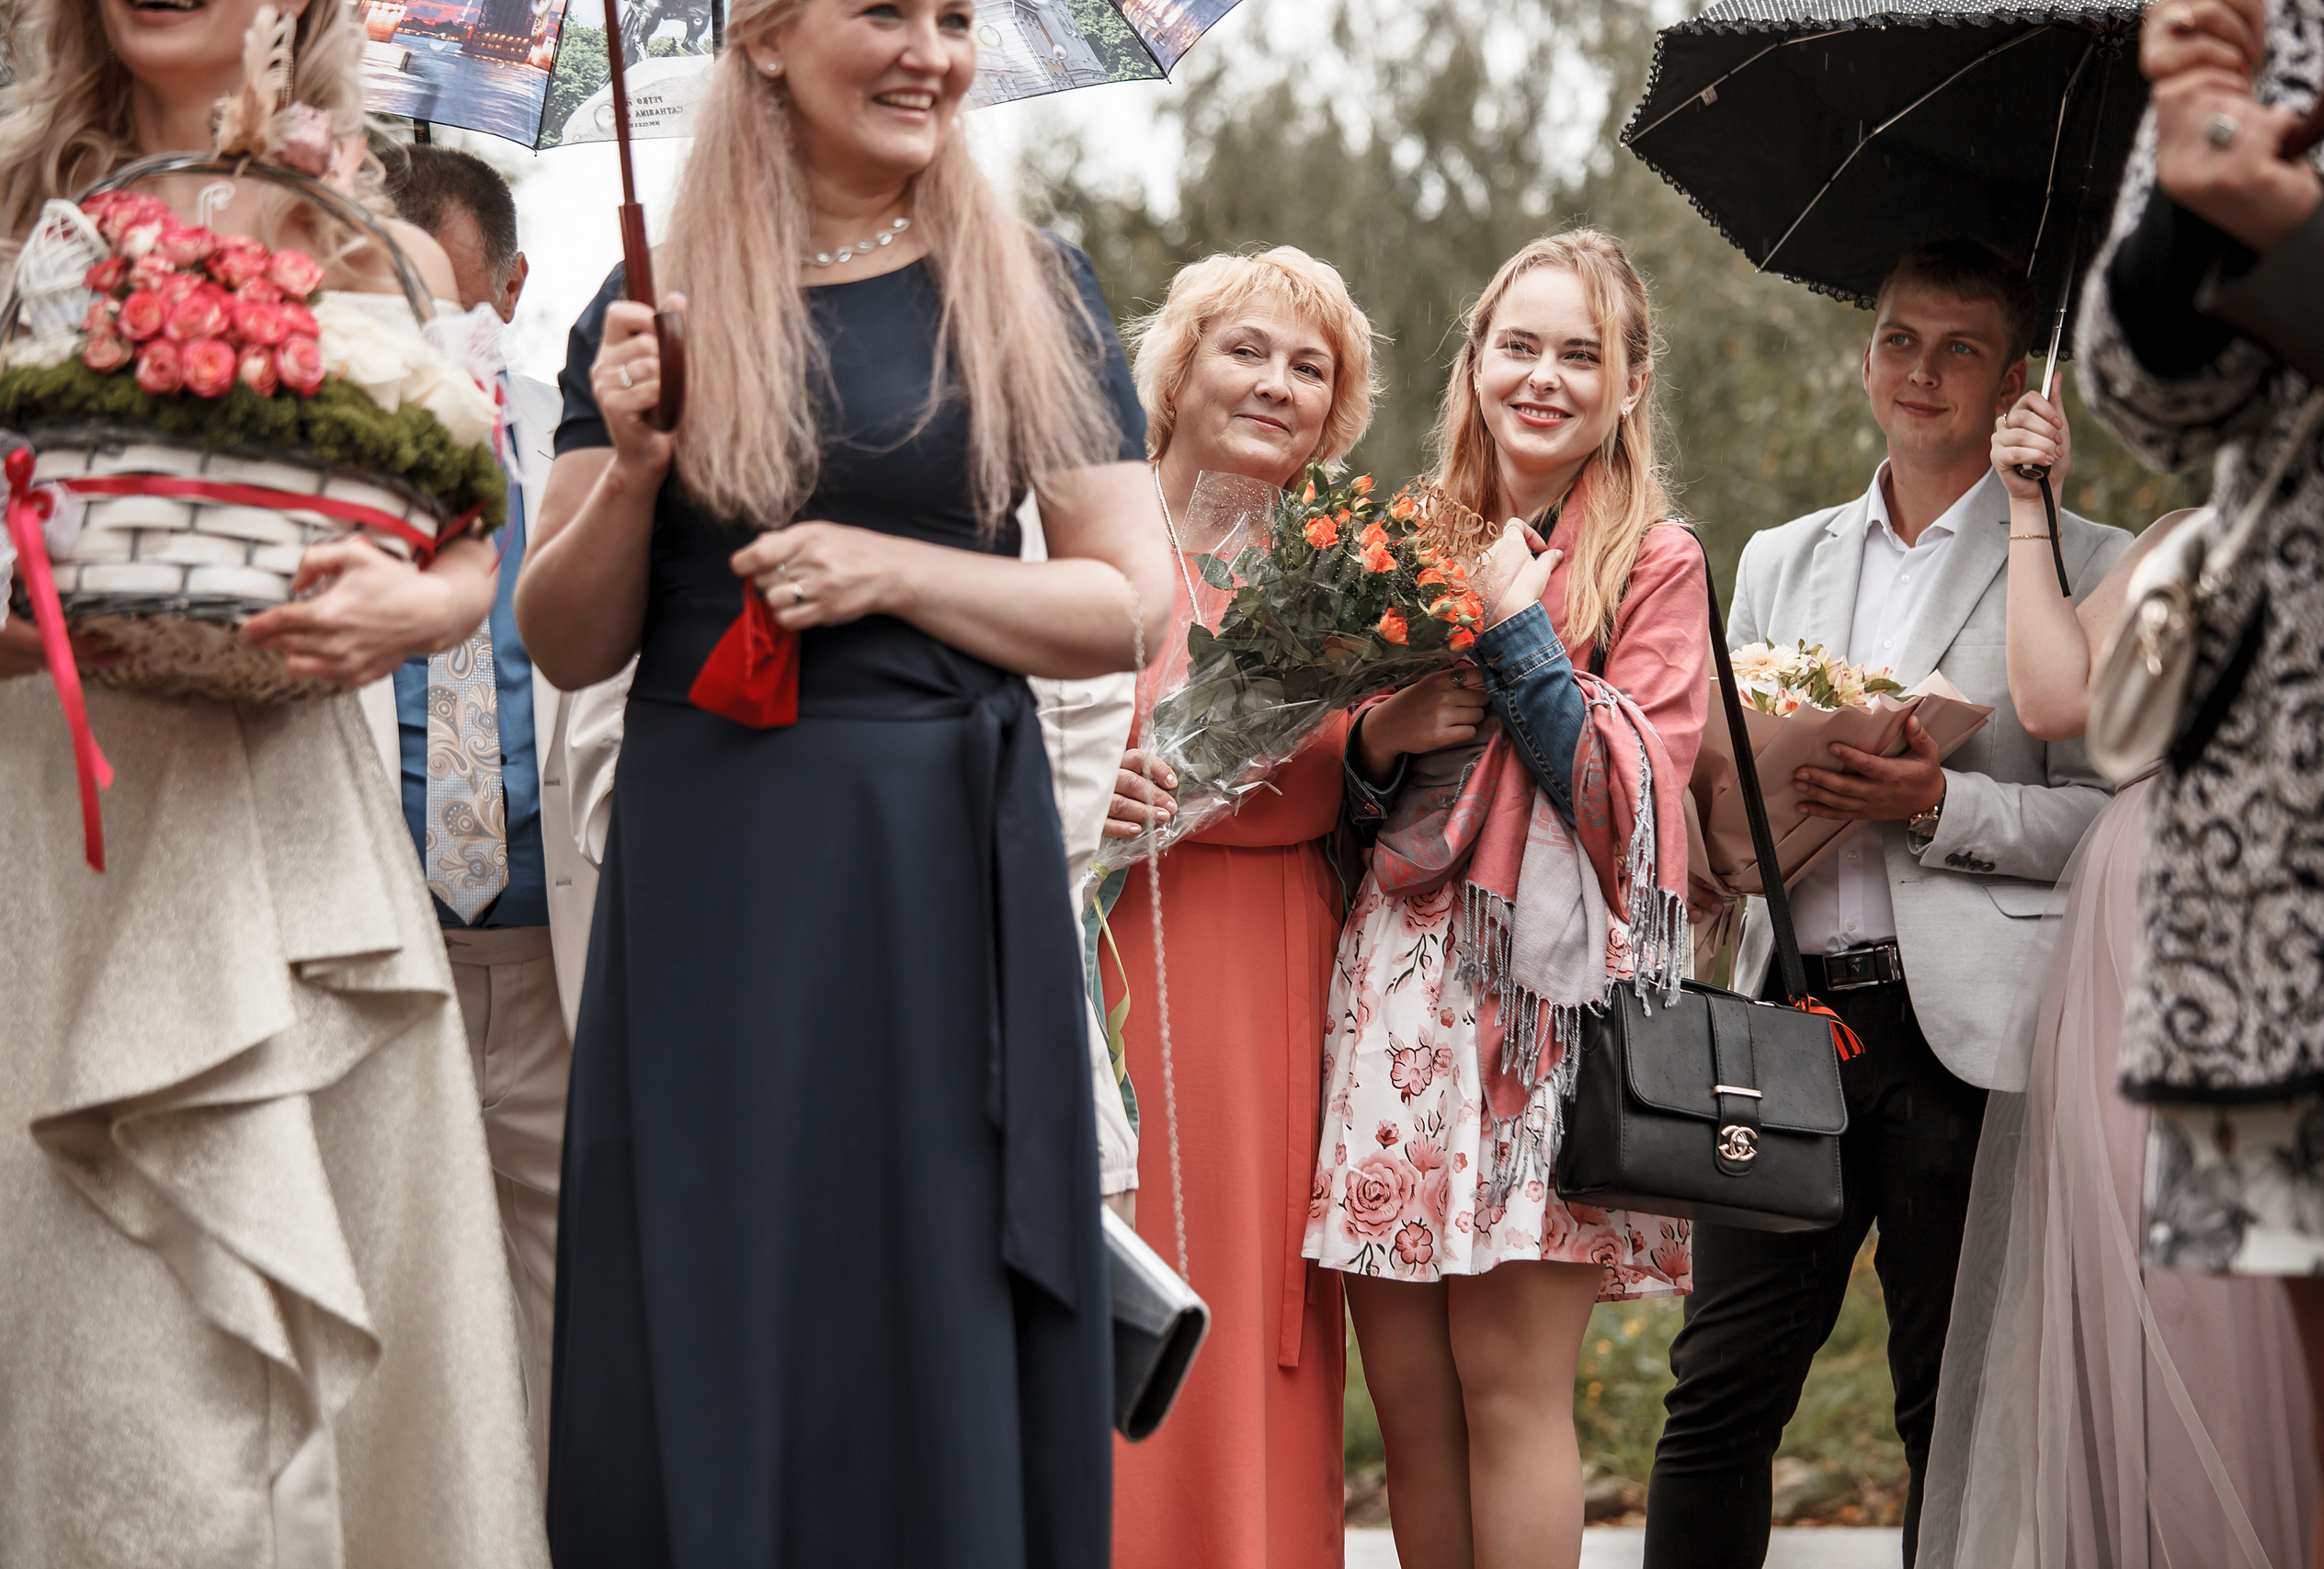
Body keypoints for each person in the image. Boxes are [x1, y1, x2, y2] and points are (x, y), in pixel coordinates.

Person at [512, 0, 1170, 1558]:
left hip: (930, 861)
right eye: (886, 11)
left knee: (923, 1264)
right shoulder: (642, 303)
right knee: (716, 1257)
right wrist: (634, 469)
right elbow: (561, 635)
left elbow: (1124, 606)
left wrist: (896, 570)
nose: (932, 52)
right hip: (710, 867)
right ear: (764, 40)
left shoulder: (1027, 288)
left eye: (954, 19)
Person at [0, 0, 545, 1563]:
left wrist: (424, 608)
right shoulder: (0, 213)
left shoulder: (358, 224)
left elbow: (464, 529)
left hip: (286, 825)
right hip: (48, 824)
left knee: (297, 1399)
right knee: (81, 1367)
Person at [1642, 239, 2132, 1569]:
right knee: (1718, 1393)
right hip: (1787, 1023)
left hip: (1967, 1044)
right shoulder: (1777, 557)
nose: (1921, 371)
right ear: (1867, 354)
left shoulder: (2094, 561)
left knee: (1952, 1408)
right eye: (1899, 339)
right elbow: (1732, 781)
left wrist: (1933, 805)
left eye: (1960, 347)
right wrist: (1723, 829)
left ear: (2018, 380)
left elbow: (2115, 824)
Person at [1305, 229, 1712, 1569]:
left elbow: (1627, 805)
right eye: (1519, 345)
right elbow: (1340, 797)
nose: (1544, 376)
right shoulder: (1400, 531)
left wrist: (1514, 623)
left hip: (1540, 1013)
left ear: (1629, 383)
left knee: (1510, 1393)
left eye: (1580, 353)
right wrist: (1382, 735)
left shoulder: (1655, 561)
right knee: (1411, 1407)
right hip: (1396, 996)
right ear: (1476, 359)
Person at [1916, 369, 2316, 1565]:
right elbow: (2053, 695)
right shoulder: (2189, 538)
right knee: (2163, 1301)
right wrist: (2029, 506)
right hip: (2149, 938)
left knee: (2274, 1310)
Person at [2074, 0, 2324, 1559]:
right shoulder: (2268, 20)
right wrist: (2187, 189)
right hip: (2272, 812)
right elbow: (2142, 391)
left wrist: (2282, 226)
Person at [1093, 246, 1378, 1569]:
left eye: (1308, 368)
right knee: (1113, 1260)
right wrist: (1074, 784)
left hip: (1278, 978)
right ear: (1178, 368)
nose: (1276, 384)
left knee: (1259, 1300)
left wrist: (1401, 720)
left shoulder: (1345, 585)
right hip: (1102, 959)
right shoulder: (1093, 538)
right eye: (1246, 350)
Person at [376, 142, 596, 1488]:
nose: (420, 341)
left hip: (554, 953)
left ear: (510, 291)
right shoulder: (311, 441)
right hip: (382, 954)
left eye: (451, 304)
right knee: (388, 1311)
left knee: (571, 1320)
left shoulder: (578, 447)